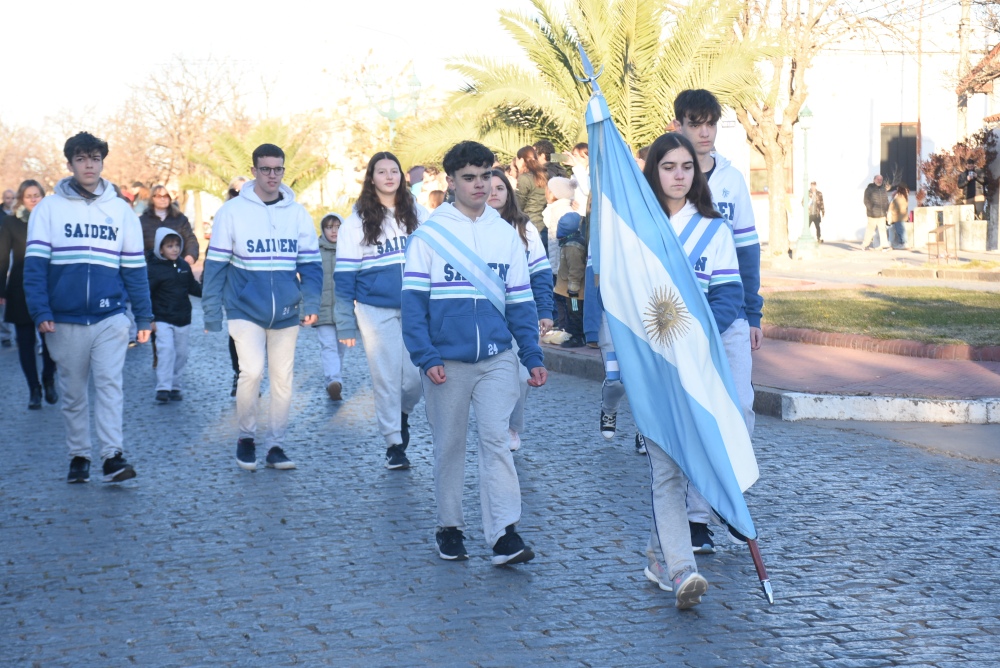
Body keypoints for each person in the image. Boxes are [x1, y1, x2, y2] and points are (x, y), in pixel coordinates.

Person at [401, 140, 547, 565]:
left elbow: (521, 303)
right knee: (450, 444)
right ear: (450, 182)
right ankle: (449, 527)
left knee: (497, 441)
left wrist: (533, 357)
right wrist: (426, 357)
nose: (480, 185)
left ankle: (503, 533)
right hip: (446, 361)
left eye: (485, 176)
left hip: (499, 358)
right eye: (469, 177)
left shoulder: (505, 234)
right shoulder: (428, 236)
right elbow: (413, 307)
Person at [639, 131, 744, 608]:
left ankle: (660, 555)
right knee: (666, 471)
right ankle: (682, 569)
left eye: (686, 167)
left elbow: (727, 298)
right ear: (654, 172)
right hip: (653, 369)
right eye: (668, 167)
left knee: (695, 464)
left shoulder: (714, 230)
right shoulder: (636, 230)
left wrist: (693, 339)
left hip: (699, 366)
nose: (679, 175)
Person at [23, 131, 152, 484]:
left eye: (95, 158)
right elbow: (33, 268)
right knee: (74, 392)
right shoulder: (48, 209)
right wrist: (41, 311)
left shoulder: (121, 210)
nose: (89, 164)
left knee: (110, 385)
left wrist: (144, 315)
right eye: (81, 158)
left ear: (102, 162)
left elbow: (135, 269)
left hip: (110, 317)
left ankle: (112, 456)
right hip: (63, 319)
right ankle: (79, 455)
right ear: (70, 164)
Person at [673, 89, 762, 554]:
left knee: (740, 411)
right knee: (696, 414)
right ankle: (695, 516)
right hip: (681, 324)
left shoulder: (732, 180)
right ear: (679, 126)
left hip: (728, 318)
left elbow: (748, 251)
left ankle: (729, 502)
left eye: (710, 123)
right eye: (695, 122)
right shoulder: (669, 178)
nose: (704, 132)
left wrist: (753, 312)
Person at [202, 143, 322, 472]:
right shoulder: (232, 212)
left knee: (283, 378)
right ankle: (246, 438)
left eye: (278, 169)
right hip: (244, 308)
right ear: (253, 171)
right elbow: (215, 266)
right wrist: (212, 312)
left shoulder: (297, 214)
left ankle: (276, 445)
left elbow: (311, 265)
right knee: (251, 371)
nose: (272, 175)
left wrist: (310, 301)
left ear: (284, 171)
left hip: (286, 310)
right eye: (266, 169)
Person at [335, 151, 428, 470]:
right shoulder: (356, 223)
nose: (389, 176)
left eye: (395, 171)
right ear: (371, 178)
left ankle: (402, 414)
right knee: (386, 377)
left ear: (402, 177)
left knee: (415, 378)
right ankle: (394, 443)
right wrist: (345, 323)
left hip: (417, 306)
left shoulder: (418, 213)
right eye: (382, 171)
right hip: (375, 310)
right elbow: (344, 278)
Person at [487, 167, 554, 451]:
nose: (493, 193)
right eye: (488, 188)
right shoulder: (470, 229)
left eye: (499, 188)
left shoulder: (524, 228)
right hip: (485, 316)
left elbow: (540, 273)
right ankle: (495, 426)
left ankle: (513, 427)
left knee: (520, 375)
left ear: (508, 192)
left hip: (520, 313)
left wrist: (545, 311)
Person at [0, 180, 58, 409]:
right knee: (25, 342)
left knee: (51, 339)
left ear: (44, 196)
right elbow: (3, 258)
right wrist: (0, 290)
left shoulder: (53, 220)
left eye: (37, 195)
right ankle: (34, 388)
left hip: (50, 285)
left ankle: (49, 379)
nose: (33, 199)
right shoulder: (10, 223)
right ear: (21, 199)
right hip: (20, 287)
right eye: (28, 196)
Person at [147, 228, 201, 403]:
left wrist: (210, 292)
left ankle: (175, 386)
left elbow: (192, 287)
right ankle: (163, 387)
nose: (175, 249)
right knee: (166, 351)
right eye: (170, 246)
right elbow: (147, 294)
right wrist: (150, 318)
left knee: (181, 354)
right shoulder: (153, 269)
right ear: (160, 248)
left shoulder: (184, 266)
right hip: (162, 318)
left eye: (177, 245)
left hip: (183, 317)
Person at [316, 213, 347, 401]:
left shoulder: (349, 249)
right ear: (323, 229)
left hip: (344, 311)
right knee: (328, 346)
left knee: (340, 349)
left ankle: (334, 380)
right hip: (322, 309)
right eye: (329, 227)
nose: (334, 231)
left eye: (337, 226)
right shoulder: (315, 251)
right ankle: (333, 380)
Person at [223, 176, 248, 396]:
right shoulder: (225, 215)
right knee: (236, 332)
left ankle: (251, 374)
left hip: (257, 281)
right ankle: (239, 374)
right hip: (233, 281)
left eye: (244, 190)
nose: (240, 195)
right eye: (235, 191)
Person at [139, 185, 199, 266]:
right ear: (152, 199)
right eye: (158, 196)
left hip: (176, 264)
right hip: (151, 266)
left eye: (166, 196)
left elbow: (190, 239)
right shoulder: (143, 220)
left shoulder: (180, 219)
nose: (163, 199)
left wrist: (191, 255)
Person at [554, 208, 587, 348]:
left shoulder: (573, 247)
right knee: (569, 313)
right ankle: (570, 333)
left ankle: (577, 337)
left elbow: (576, 269)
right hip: (566, 290)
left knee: (574, 313)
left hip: (574, 293)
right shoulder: (568, 243)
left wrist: (573, 287)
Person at [514, 146, 549, 250]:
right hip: (543, 223)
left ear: (521, 159)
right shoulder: (544, 175)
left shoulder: (524, 178)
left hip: (529, 224)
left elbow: (518, 204)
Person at [862, 174, 889, 250]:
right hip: (872, 214)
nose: (879, 181)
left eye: (881, 179)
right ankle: (865, 245)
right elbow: (866, 201)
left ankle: (884, 246)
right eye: (878, 179)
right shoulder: (869, 189)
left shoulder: (883, 189)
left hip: (882, 214)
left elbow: (886, 200)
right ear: (874, 180)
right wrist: (871, 209)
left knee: (883, 230)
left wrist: (886, 209)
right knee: (870, 230)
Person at [888, 184, 909, 250]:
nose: (896, 190)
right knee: (899, 230)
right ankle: (901, 243)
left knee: (901, 230)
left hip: (898, 216)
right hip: (899, 216)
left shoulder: (900, 197)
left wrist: (892, 212)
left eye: (897, 189)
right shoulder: (903, 196)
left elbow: (896, 206)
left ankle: (904, 243)